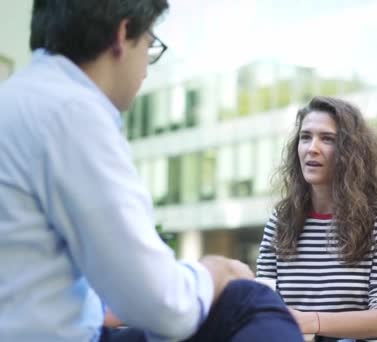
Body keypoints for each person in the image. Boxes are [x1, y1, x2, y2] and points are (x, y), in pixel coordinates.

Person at [0, 1, 302, 341]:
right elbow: (165, 307)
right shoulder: (71, 111)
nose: (146, 67)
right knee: (249, 299)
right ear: (122, 33)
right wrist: (216, 272)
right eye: (150, 45)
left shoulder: (15, 98)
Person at [257, 96, 377, 342]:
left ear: (351, 152)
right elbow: (266, 303)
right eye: (305, 137)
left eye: (327, 139)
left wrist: (311, 321)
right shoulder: (281, 220)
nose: (311, 148)